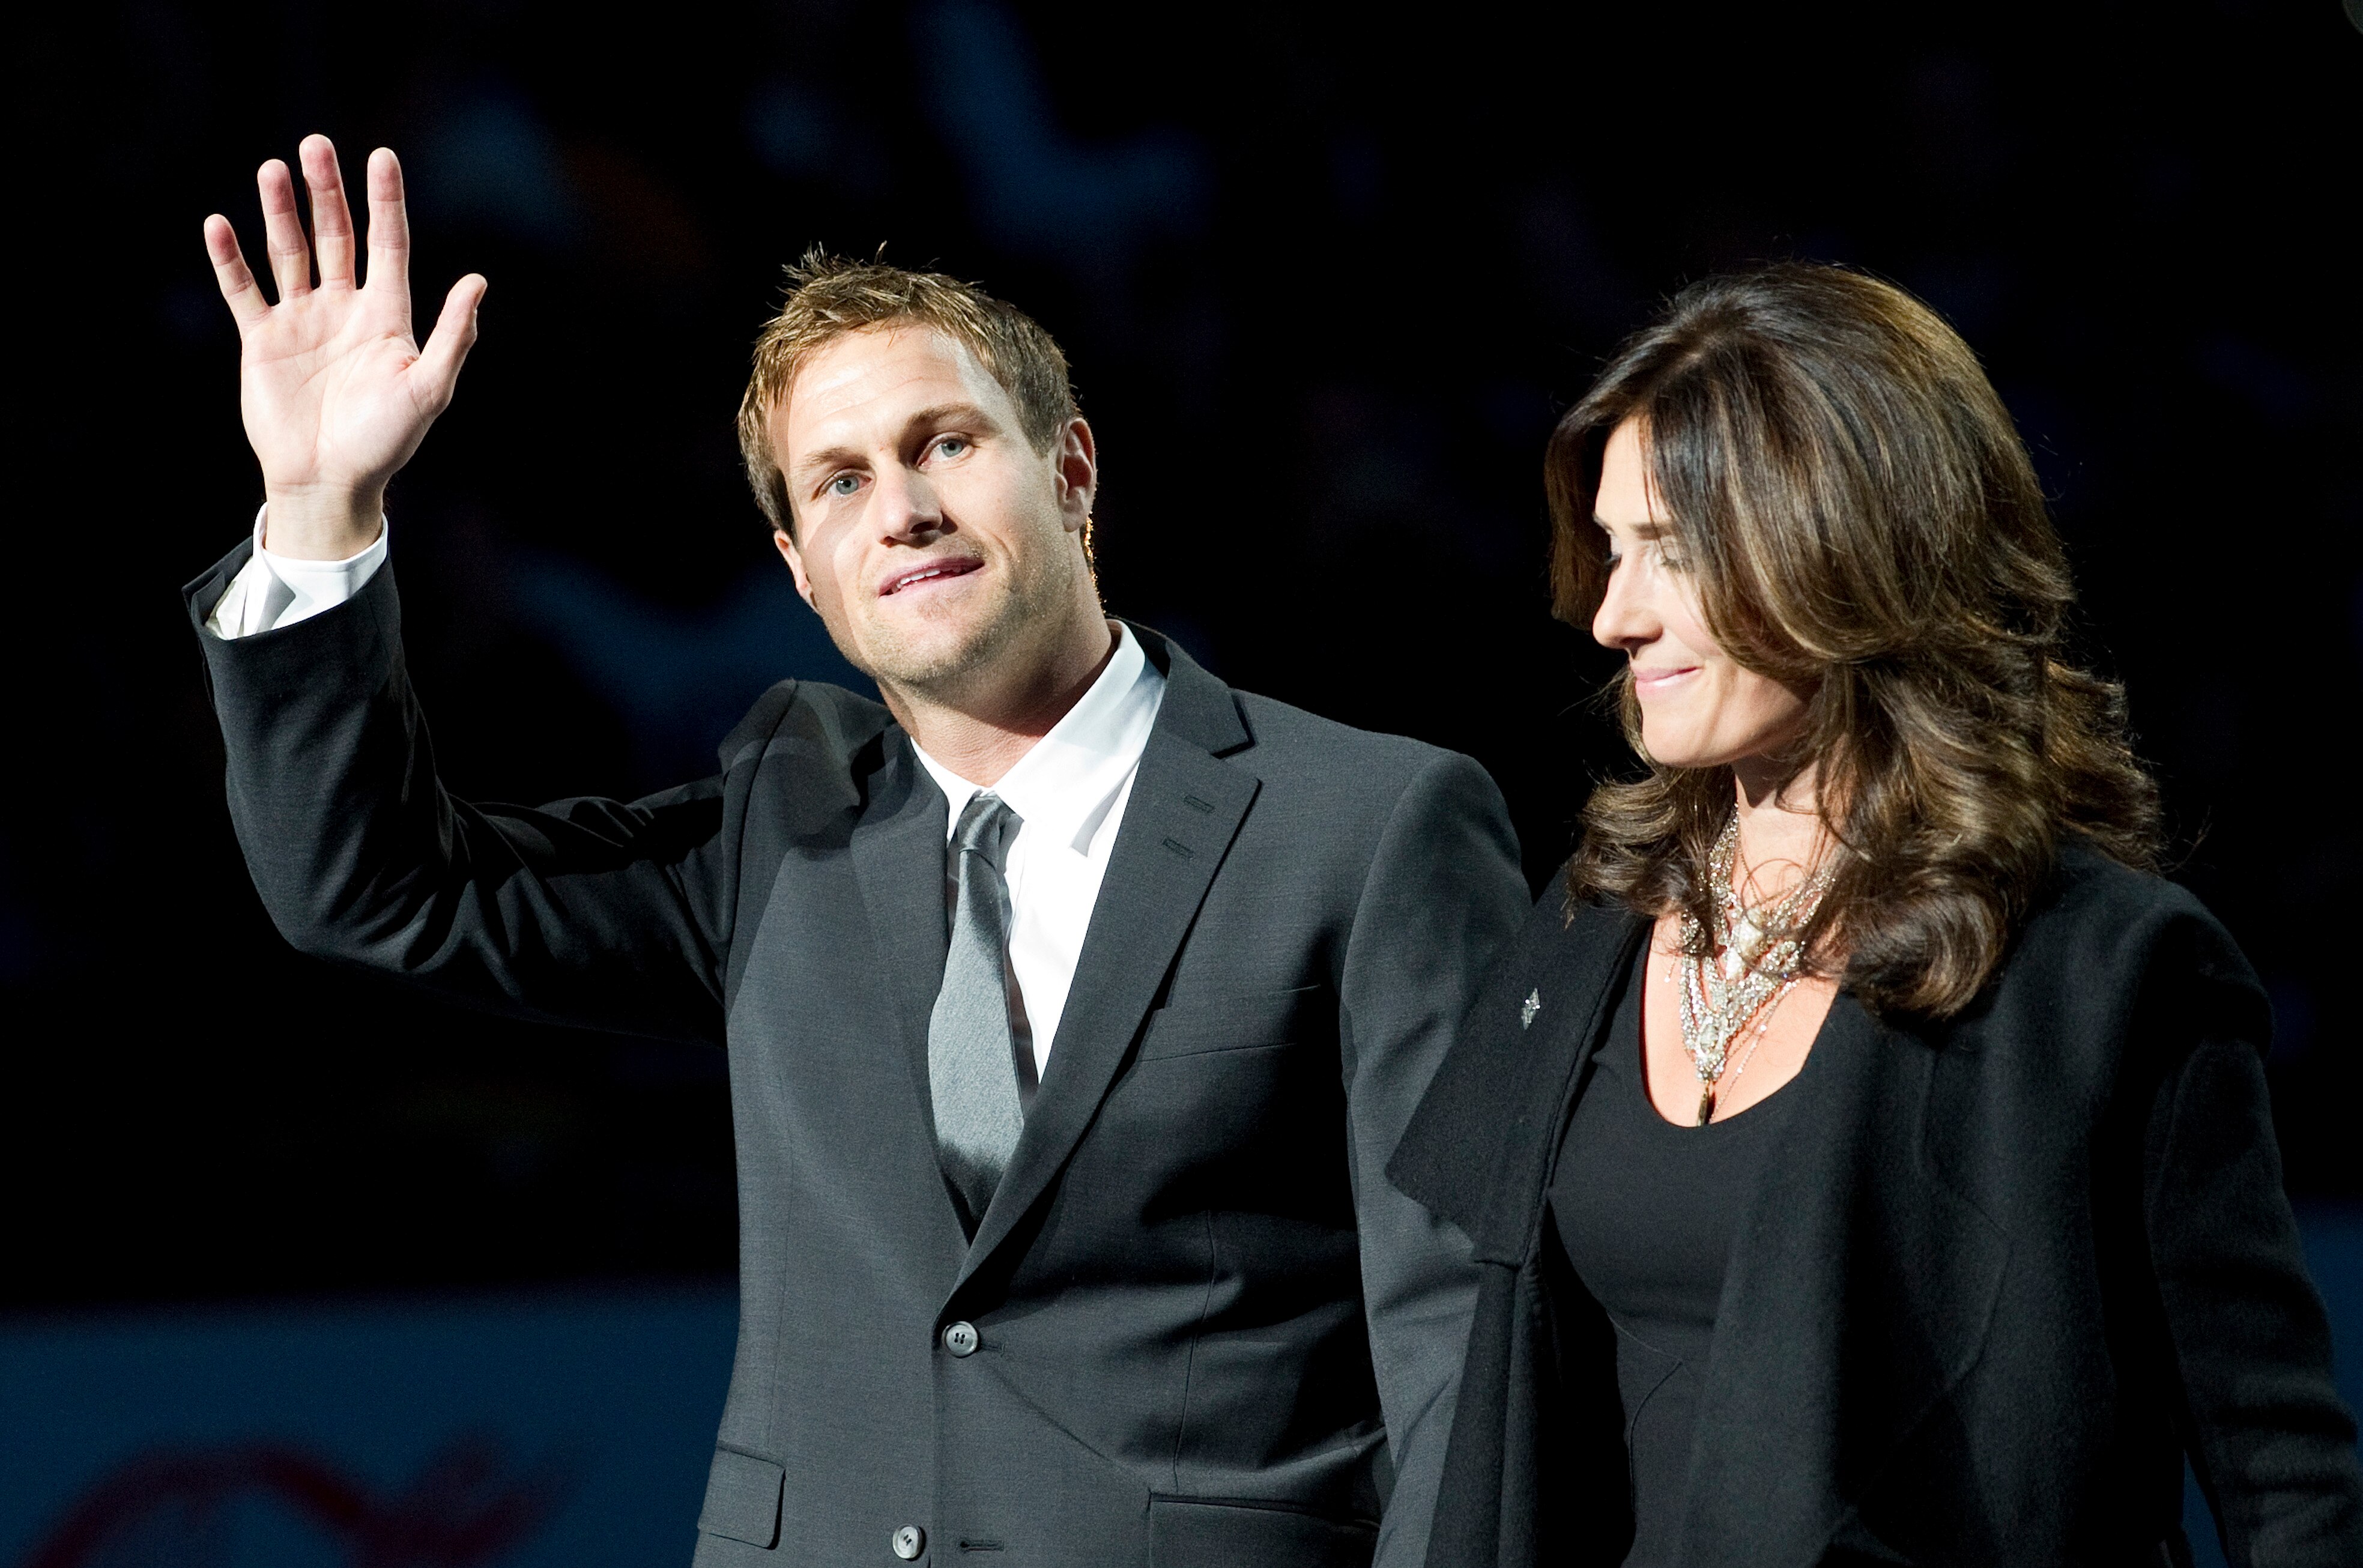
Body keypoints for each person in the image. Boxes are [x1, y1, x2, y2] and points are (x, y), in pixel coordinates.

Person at [187, 136, 1529, 1568]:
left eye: (944, 442)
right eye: (836, 484)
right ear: (799, 571)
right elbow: (379, 886)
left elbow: (1469, 1350)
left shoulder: (1370, 826)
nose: (900, 509)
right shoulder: (788, 821)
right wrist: (324, 515)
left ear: (1071, 470)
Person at [1388, 264, 2363, 1567]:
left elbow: (2286, 1484)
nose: (1614, 614)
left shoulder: (2108, 976)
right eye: (1614, 553)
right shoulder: (1591, 928)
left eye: (1670, 552)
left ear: (1840, 542)